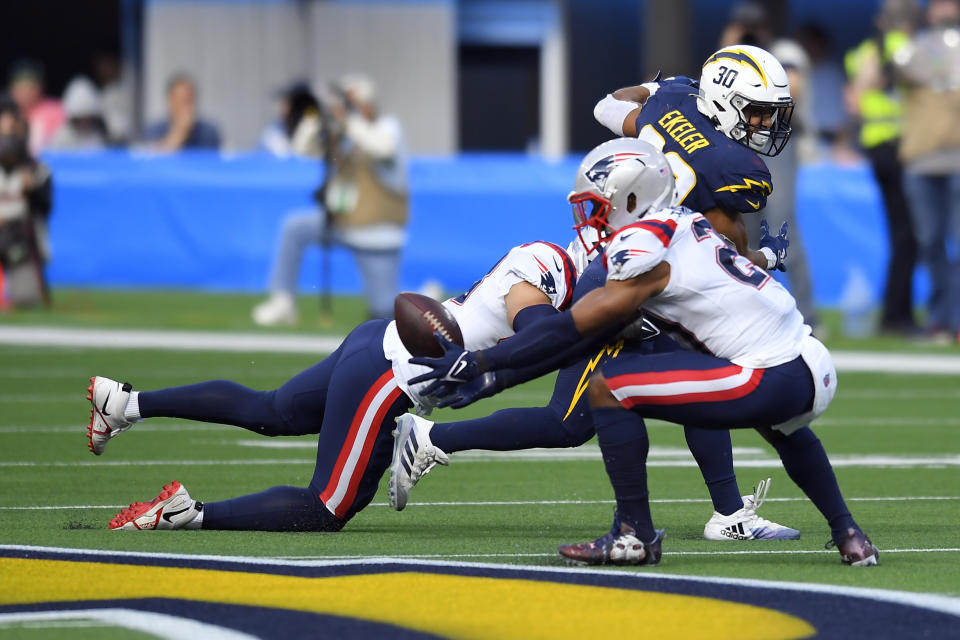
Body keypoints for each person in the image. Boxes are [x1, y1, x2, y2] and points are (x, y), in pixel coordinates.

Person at [392, 44, 800, 543]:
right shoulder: (730, 167)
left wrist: (658, 91)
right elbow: (726, 253)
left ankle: (730, 514)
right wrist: (769, 259)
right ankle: (432, 437)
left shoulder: (675, 103)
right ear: (726, 101)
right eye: (758, 113)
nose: (764, 126)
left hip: (644, 272)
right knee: (566, 424)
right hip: (625, 281)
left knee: (705, 374)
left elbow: (607, 106)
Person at [408, 139, 878, 568]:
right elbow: (582, 337)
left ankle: (634, 534)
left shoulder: (642, 244)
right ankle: (850, 535)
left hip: (767, 373)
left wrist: (485, 363)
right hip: (808, 362)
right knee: (785, 431)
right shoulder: (687, 222)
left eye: (597, 207)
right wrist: (496, 376)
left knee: (611, 388)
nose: (590, 219)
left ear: (631, 200)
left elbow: (573, 330)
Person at [87, 239, 577, 532]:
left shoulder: (555, 262)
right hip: (391, 375)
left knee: (273, 410)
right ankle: (186, 514)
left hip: (375, 341)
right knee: (325, 508)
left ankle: (125, 403)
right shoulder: (555, 271)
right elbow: (535, 328)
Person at [252, 74, 408, 324]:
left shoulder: (387, 127)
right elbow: (302, 149)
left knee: (385, 308)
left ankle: (426, 297)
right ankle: (282, 301)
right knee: (295, 227)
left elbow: (382, 148)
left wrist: (348, 119)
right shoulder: (344, 132)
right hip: (345, 224)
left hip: (377, 234)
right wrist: (315, 117)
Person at [718, 4, 820, 326]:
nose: (749, 32)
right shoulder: (729, 58)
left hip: (777, 142)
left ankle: (808, 316)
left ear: (766, 28)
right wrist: (731, 48)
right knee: (741, 226)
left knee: (780, 224)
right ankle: (748, 308)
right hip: (741, 142)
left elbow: (794, 89)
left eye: (753, 27)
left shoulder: (782, 51)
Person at [844, 0, 920, 336]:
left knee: (902, 233)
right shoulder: (902, 46)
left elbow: (854, 100)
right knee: (908, 235)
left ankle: (895, 313)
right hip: (901, 146)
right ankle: (896, 316)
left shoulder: (863, 51)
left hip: (876, 145)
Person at [895, 0, 960, 342]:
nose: (944, 11)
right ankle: (939, 321)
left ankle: (956, 321)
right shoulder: (913, 48)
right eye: (938, 4)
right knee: (930, 244)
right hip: (921, 158)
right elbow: (886, 74)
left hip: (958, 159)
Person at [0, 96, 52, 309]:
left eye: (12, 121)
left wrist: (31, 191)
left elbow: (45, 208)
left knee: (25, 298)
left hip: (18, 237)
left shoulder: (35, 169)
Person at [144, 74, 221, 151]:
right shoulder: (155, 130)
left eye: (188, 101)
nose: (185, 108)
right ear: (170, 101)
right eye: (180, 101)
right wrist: (180, 131)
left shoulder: (209, 132)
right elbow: (156, 158)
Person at [7, 61, 65, 155]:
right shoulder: (6, 113)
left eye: (31, 88)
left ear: (41, 87)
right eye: (21, 88)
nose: (26, 93)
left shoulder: (56, 110)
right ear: (11, 88)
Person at [49, 77, 109, 151]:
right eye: (80, 118)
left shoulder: (98, 134)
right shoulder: (63, 134)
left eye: (87, 117)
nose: (84, 122)